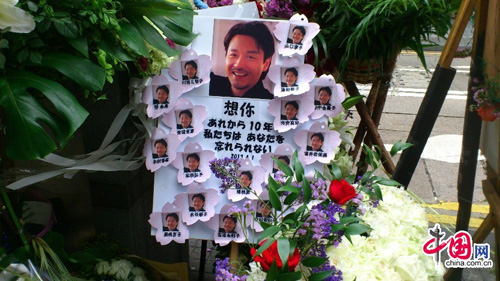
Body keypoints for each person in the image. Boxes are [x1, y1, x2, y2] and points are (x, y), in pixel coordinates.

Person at [209, 21, 275, 99]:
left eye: (250, 57)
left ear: (266, 64)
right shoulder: (209, 86)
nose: (238, 65)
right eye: (233, 55)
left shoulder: (269, 104)